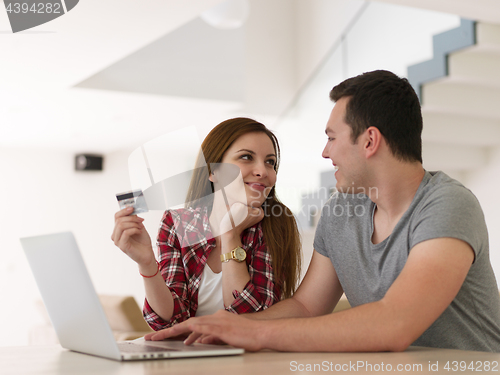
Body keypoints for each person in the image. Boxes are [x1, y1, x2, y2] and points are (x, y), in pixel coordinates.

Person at [144, 70, 500, 352]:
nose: (325, 152)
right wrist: (223, 327)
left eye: (331, 137)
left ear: (369, 141)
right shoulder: (341, 210)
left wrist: (256, 334)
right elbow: (306, 307)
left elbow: (394, 325)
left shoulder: (447, 205)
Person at [111, 117, 301, 330]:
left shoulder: (276, 224)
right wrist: (147, 264)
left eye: (270, 162)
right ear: (213, 171)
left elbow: (250, 320)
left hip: (250, 358)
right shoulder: (177, 223)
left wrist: (230, 235)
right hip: (192, 356)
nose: (263, 171)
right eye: (246, 157)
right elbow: (170, 321)